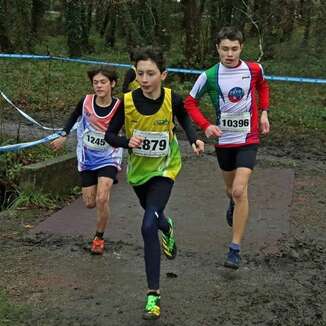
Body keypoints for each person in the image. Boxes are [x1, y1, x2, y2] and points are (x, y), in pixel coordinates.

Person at [105, 47, 204, 320]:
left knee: (147, 225)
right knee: (155, 217)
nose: (145, 79)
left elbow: (184, 117)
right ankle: (167, 225)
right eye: (140, 73)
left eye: (150, 73)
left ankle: (153, 294)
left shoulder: (173, 98)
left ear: (163, 74)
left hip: (165, 168)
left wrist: (194, 138)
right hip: (138, 174)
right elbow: (109, 135)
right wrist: (127, 142)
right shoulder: (125, 102)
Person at [184, 26, 270, 270]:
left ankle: (234, 248)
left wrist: (264, 113)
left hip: (248, 139)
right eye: (225, 49)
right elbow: (190, 103)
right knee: (230, 189)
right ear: (217, 49)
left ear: (241, 47)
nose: (229, 54)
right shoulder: (209, 75)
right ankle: (232, 202)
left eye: (234, 48)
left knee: (240, 190)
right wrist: (206, 125)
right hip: (224, 141)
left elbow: (263, 86)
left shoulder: (254, 69)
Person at [50, 66, 123, 255]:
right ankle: (100, 199)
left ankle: (98, 238)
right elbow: (74, 116)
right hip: (87, 157)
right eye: (95, 82)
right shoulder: (86, 101)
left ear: (112, 84)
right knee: (90, 203)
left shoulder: (119, 106)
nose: (98, 86)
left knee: (102, 198)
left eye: (103, 82)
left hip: (109, 156)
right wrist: (63, 134)